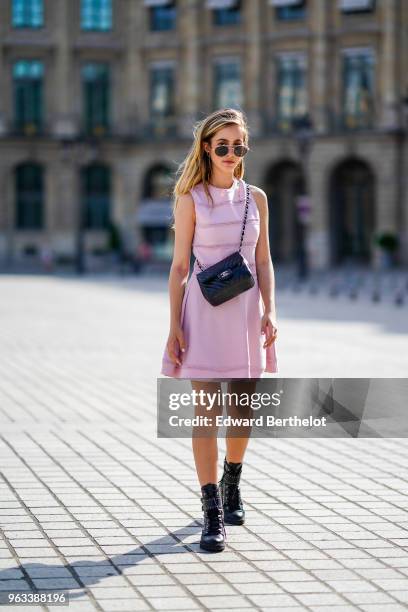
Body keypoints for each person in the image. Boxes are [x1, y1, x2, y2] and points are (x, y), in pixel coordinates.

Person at [160, 108, 278, 552]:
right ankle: (211, 510)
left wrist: (271, 311)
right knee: (207, 412)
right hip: (203, 315)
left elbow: (264, 261)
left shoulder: (257, 198)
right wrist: (173, 326)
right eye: (223, 145)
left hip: (247, 312)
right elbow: (177, 268)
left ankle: (233, 480)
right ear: (207, 148)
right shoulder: (190, 199)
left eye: (239, 146)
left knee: (243, 412)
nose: (231, 153)